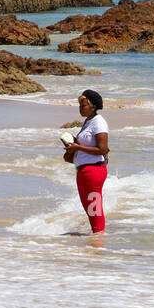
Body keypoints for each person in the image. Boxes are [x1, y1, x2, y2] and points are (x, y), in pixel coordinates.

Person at [63, 89, 109, 233]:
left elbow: (102, 149)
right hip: (84, 170)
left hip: (93, 171)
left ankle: (99, 243)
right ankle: (96, 238)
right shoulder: (88, 122)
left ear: (93, 106)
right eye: (80, 106)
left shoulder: (98, 122)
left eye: (83, 105)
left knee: (94, 210)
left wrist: (78, 147)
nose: (80, 109)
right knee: (90, 209)